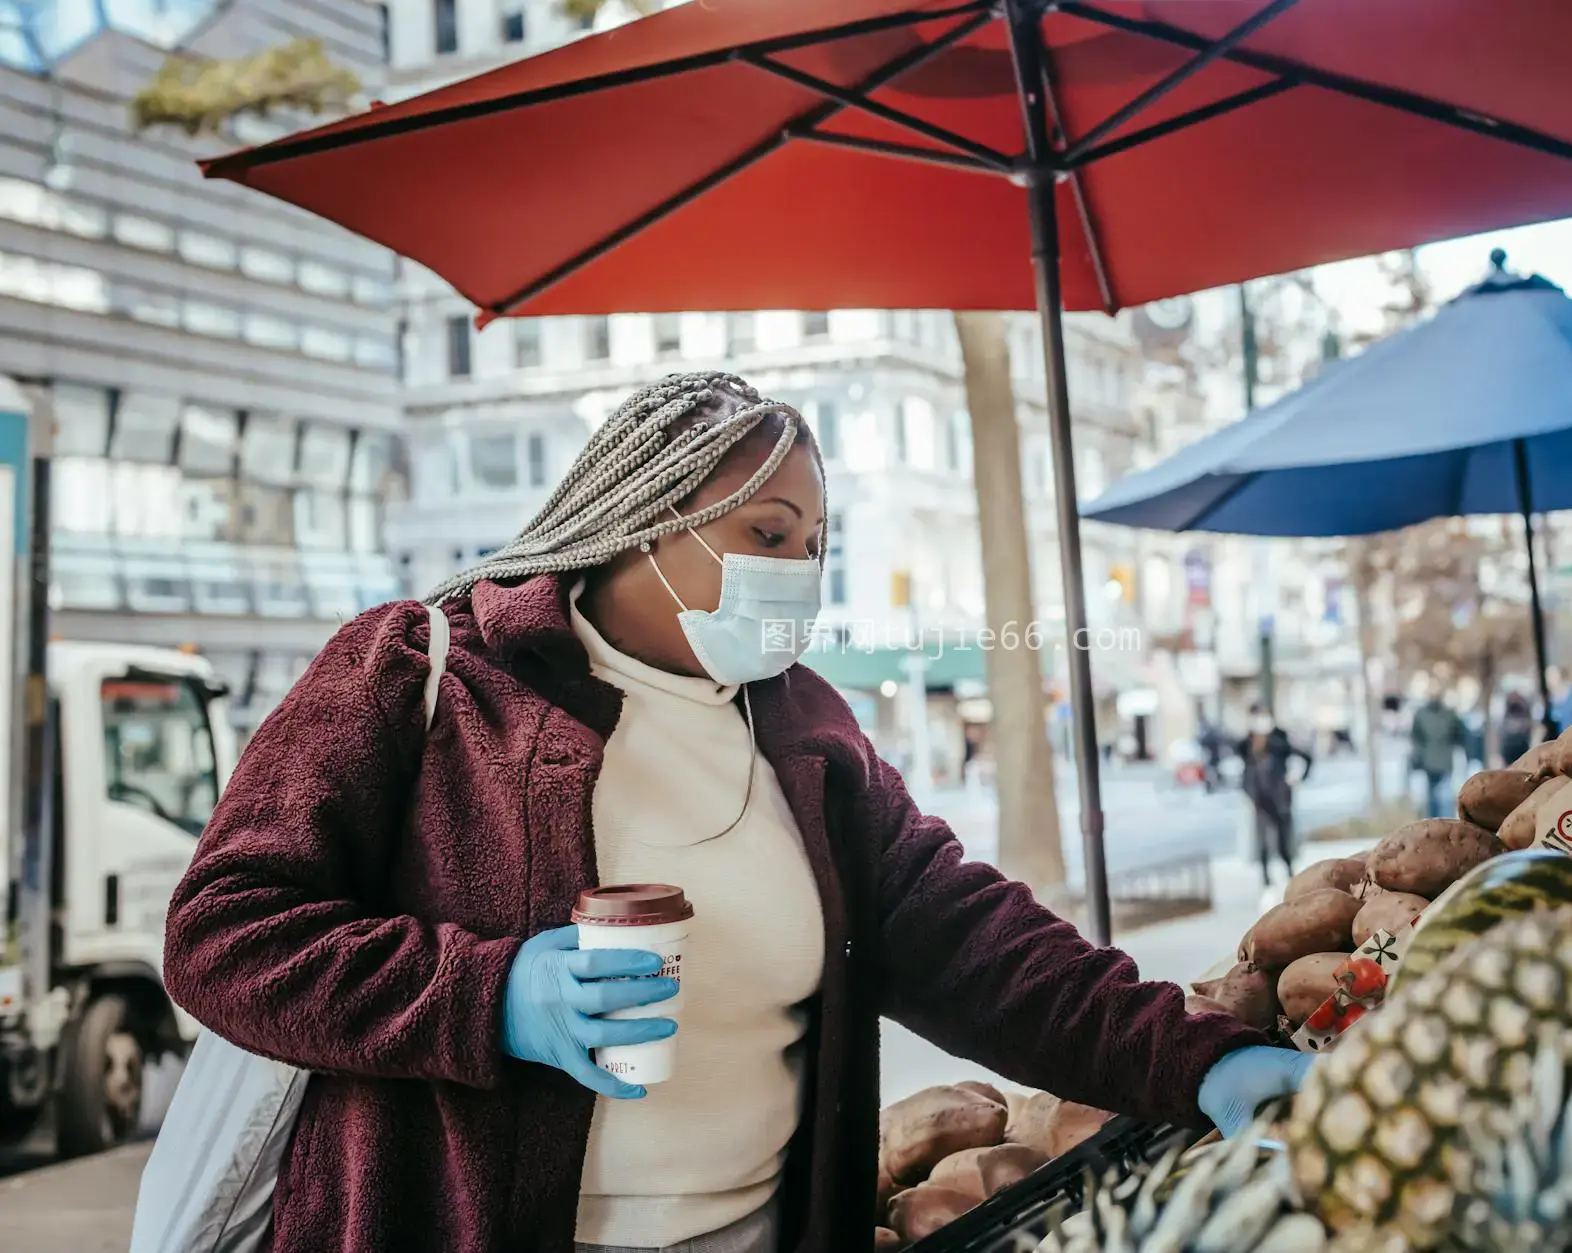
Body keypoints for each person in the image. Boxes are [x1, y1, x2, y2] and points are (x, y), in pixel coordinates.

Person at [161, 374, 1310, 1253]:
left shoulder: (809, 729)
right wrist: (488, 993)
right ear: (643, 517)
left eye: (814, 545)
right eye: (767, 534)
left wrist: (1196, 1056)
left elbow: (978, 943)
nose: (798, 570)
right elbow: (224, 928)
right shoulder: (420, 670)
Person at [1239, 706, 1313, 884]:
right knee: (1262, 840)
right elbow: (1245, 770)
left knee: (1283, 839)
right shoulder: (1248, 743)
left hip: (1279, 798)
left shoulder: (1279, 740)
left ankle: (1289, 872)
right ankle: (1265, 878)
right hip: (1259, 799)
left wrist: (1296, 779)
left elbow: (1305, 757)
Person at [1408, 690, 1465, 819]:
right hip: (1429, 762)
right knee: (1431, 799)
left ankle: (1446, 824)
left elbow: (1459, 735)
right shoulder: (1421, 714)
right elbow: (1415, 737)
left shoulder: (1449, 715)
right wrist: (1418, 754)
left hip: (1444, 762)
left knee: (1444, 798)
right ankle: (1433, 822)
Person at [1498, 690, 1534, 767]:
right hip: (1509, 748)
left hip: (1521, 747)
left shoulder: (1524, 709)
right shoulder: (1507, 711)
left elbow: (1528, 725)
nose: (1514, 701)